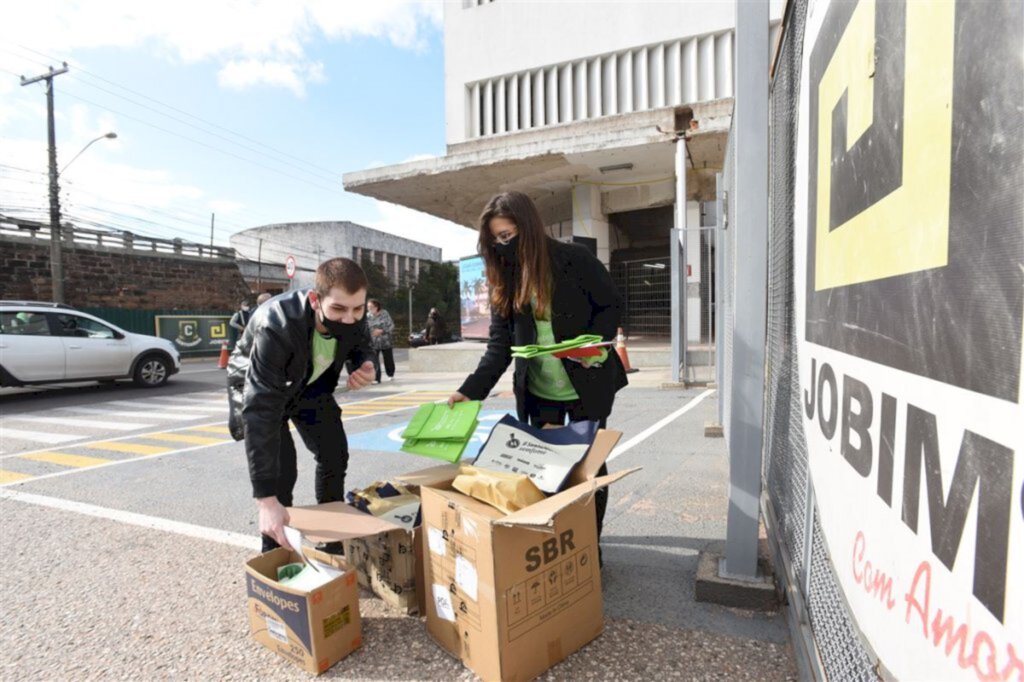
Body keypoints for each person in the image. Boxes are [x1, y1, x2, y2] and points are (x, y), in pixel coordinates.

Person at [447, 191, 627, 551]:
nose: (503, 246)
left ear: (527, 227)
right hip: (539, 389)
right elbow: (499, 346)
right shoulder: (506, 277)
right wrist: (470, 390)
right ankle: (558, 544)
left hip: (586, 382)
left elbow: (610, 306)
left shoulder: (575, 259)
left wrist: (594, 346)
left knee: (589, 468)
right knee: (545, 467)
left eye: (507, 236)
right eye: (496, 240)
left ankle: (590, 548)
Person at [227, 258, 376, 552]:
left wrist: (366, 364)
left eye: (358, 309)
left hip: (310, 385)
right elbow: (261, 409)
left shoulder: (353, 314)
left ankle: (332, 541)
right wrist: (265, 500)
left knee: (334, 453)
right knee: (282, 471)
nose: (349, 319)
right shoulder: (276, 324)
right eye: (339, 309)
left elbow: (362, 344)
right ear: (315, 300)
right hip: (260, 384)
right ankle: (275, 554)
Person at [366, 299, 396, 383]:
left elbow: (391, 325)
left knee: (388, 359)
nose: (369, 309)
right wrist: (372, 332)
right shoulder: (367, 316)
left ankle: (390, 374)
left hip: (386, 341)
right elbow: (365, 327)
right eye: (368, 307)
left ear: (376, 307)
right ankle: (376, 378)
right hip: (373, 342)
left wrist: (382, 331)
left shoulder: (385, 314)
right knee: (374, 360)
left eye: (371, 307)